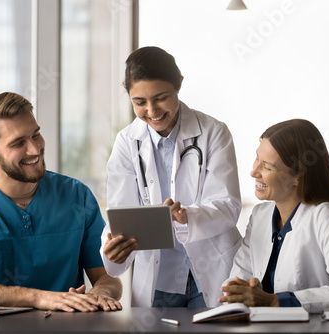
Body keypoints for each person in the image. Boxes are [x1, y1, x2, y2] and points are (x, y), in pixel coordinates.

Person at [0, 92, 122, 313]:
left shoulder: (77, 196)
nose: (35, 149)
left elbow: (108, 277)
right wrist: (38, 298)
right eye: (18, 143)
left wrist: (99, 294)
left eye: (36, 135)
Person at [101, 46, 242, 308]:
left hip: (210, 271)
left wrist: (186, 216)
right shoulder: (126, 142)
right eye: (139, 102)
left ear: (178, 85)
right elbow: (121, 213)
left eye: (160, 97)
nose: (152, 110)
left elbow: (229, 205)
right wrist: (111, 248)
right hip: (159, 278)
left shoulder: (214, 132)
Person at [219, 119, 329, 313]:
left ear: (297, 175)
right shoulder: (260, 216)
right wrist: (238, 294)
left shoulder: (323, 216)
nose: (254, 172)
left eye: (267, 166)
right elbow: (235, 284)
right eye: (257, 158)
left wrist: (274, 301)